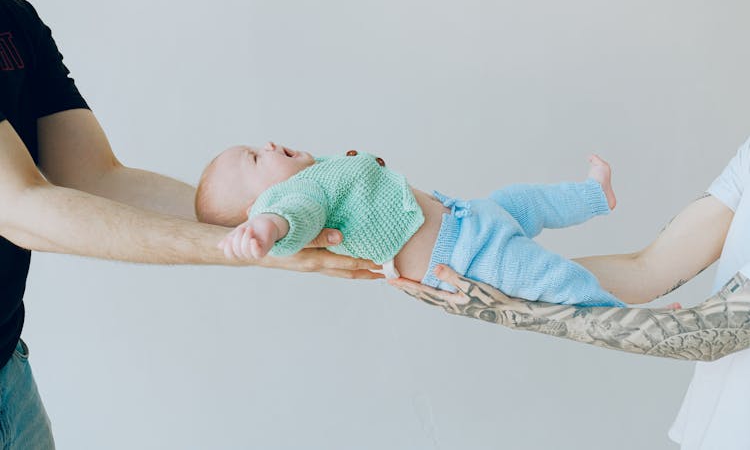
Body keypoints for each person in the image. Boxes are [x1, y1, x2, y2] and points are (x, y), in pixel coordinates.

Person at [0, 0, 380, 447]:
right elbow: (18, 207)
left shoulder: (17, 23)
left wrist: (281, 216)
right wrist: (252, 251)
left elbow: (96, 175)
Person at [390, 136, 750, 448]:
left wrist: (513, 308)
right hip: (717, 425)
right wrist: (492, 269)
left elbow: (708, 335)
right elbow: (649, 269)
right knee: (518, 203)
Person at [196, 140, 623, 306]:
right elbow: (296, 218)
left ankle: (593, 195)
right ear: (256, 204)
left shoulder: (315, 173)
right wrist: (267, 229)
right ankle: (627, 319)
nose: (268, 144)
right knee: (551, 279)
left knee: (526, 199)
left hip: (470, 215)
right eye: (254, 158)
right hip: (466, 260)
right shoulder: (295, 198)